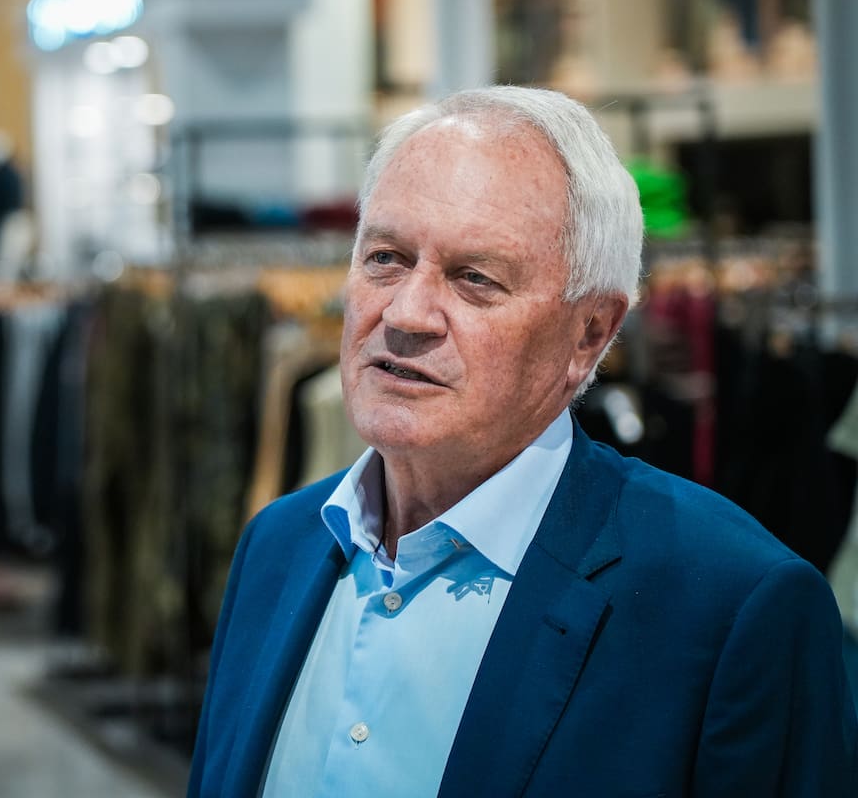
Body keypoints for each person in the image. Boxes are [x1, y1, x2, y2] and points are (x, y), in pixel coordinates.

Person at [187, 87, 857, 797]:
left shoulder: (728, 605)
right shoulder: (279, 545)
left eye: (475, 278)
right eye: (385, 257)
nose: (407, 314)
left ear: (590, 333)